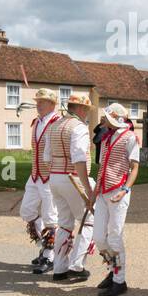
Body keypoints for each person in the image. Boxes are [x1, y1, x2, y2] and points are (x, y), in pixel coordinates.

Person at [91, 103, 141, 296]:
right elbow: (102, 167)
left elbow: (134, 167)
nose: (103, 120)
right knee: (99, 237)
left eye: (107, 118)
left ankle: (120, 281)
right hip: (103, 192)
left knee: (114, 236)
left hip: (118, 191)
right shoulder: (105, 138)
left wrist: (125, 189)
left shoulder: (130, 138)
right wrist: (94, 193)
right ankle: (113, 270)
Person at [45, 93, 96, 281]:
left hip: (55, 178)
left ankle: (59, 268)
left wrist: (56, 174)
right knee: (88, 220)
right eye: (87, 110)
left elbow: (46, 158)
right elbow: (79, 158)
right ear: (81, 109)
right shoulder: (79, 127)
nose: (87, 113)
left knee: (65, 223)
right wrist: (88, 189)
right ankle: (77, 264)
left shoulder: (54, 126)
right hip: (73, 178)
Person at [20, 89, 61, 274]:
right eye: (37, 101)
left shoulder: (58, 122)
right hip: (35, 173)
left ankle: (50, 256)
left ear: (52, 104)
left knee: (51, 216)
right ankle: (45, 246)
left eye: (42, 101)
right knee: (27, 211)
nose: (38, 104)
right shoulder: (37, 121)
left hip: (50, 175)